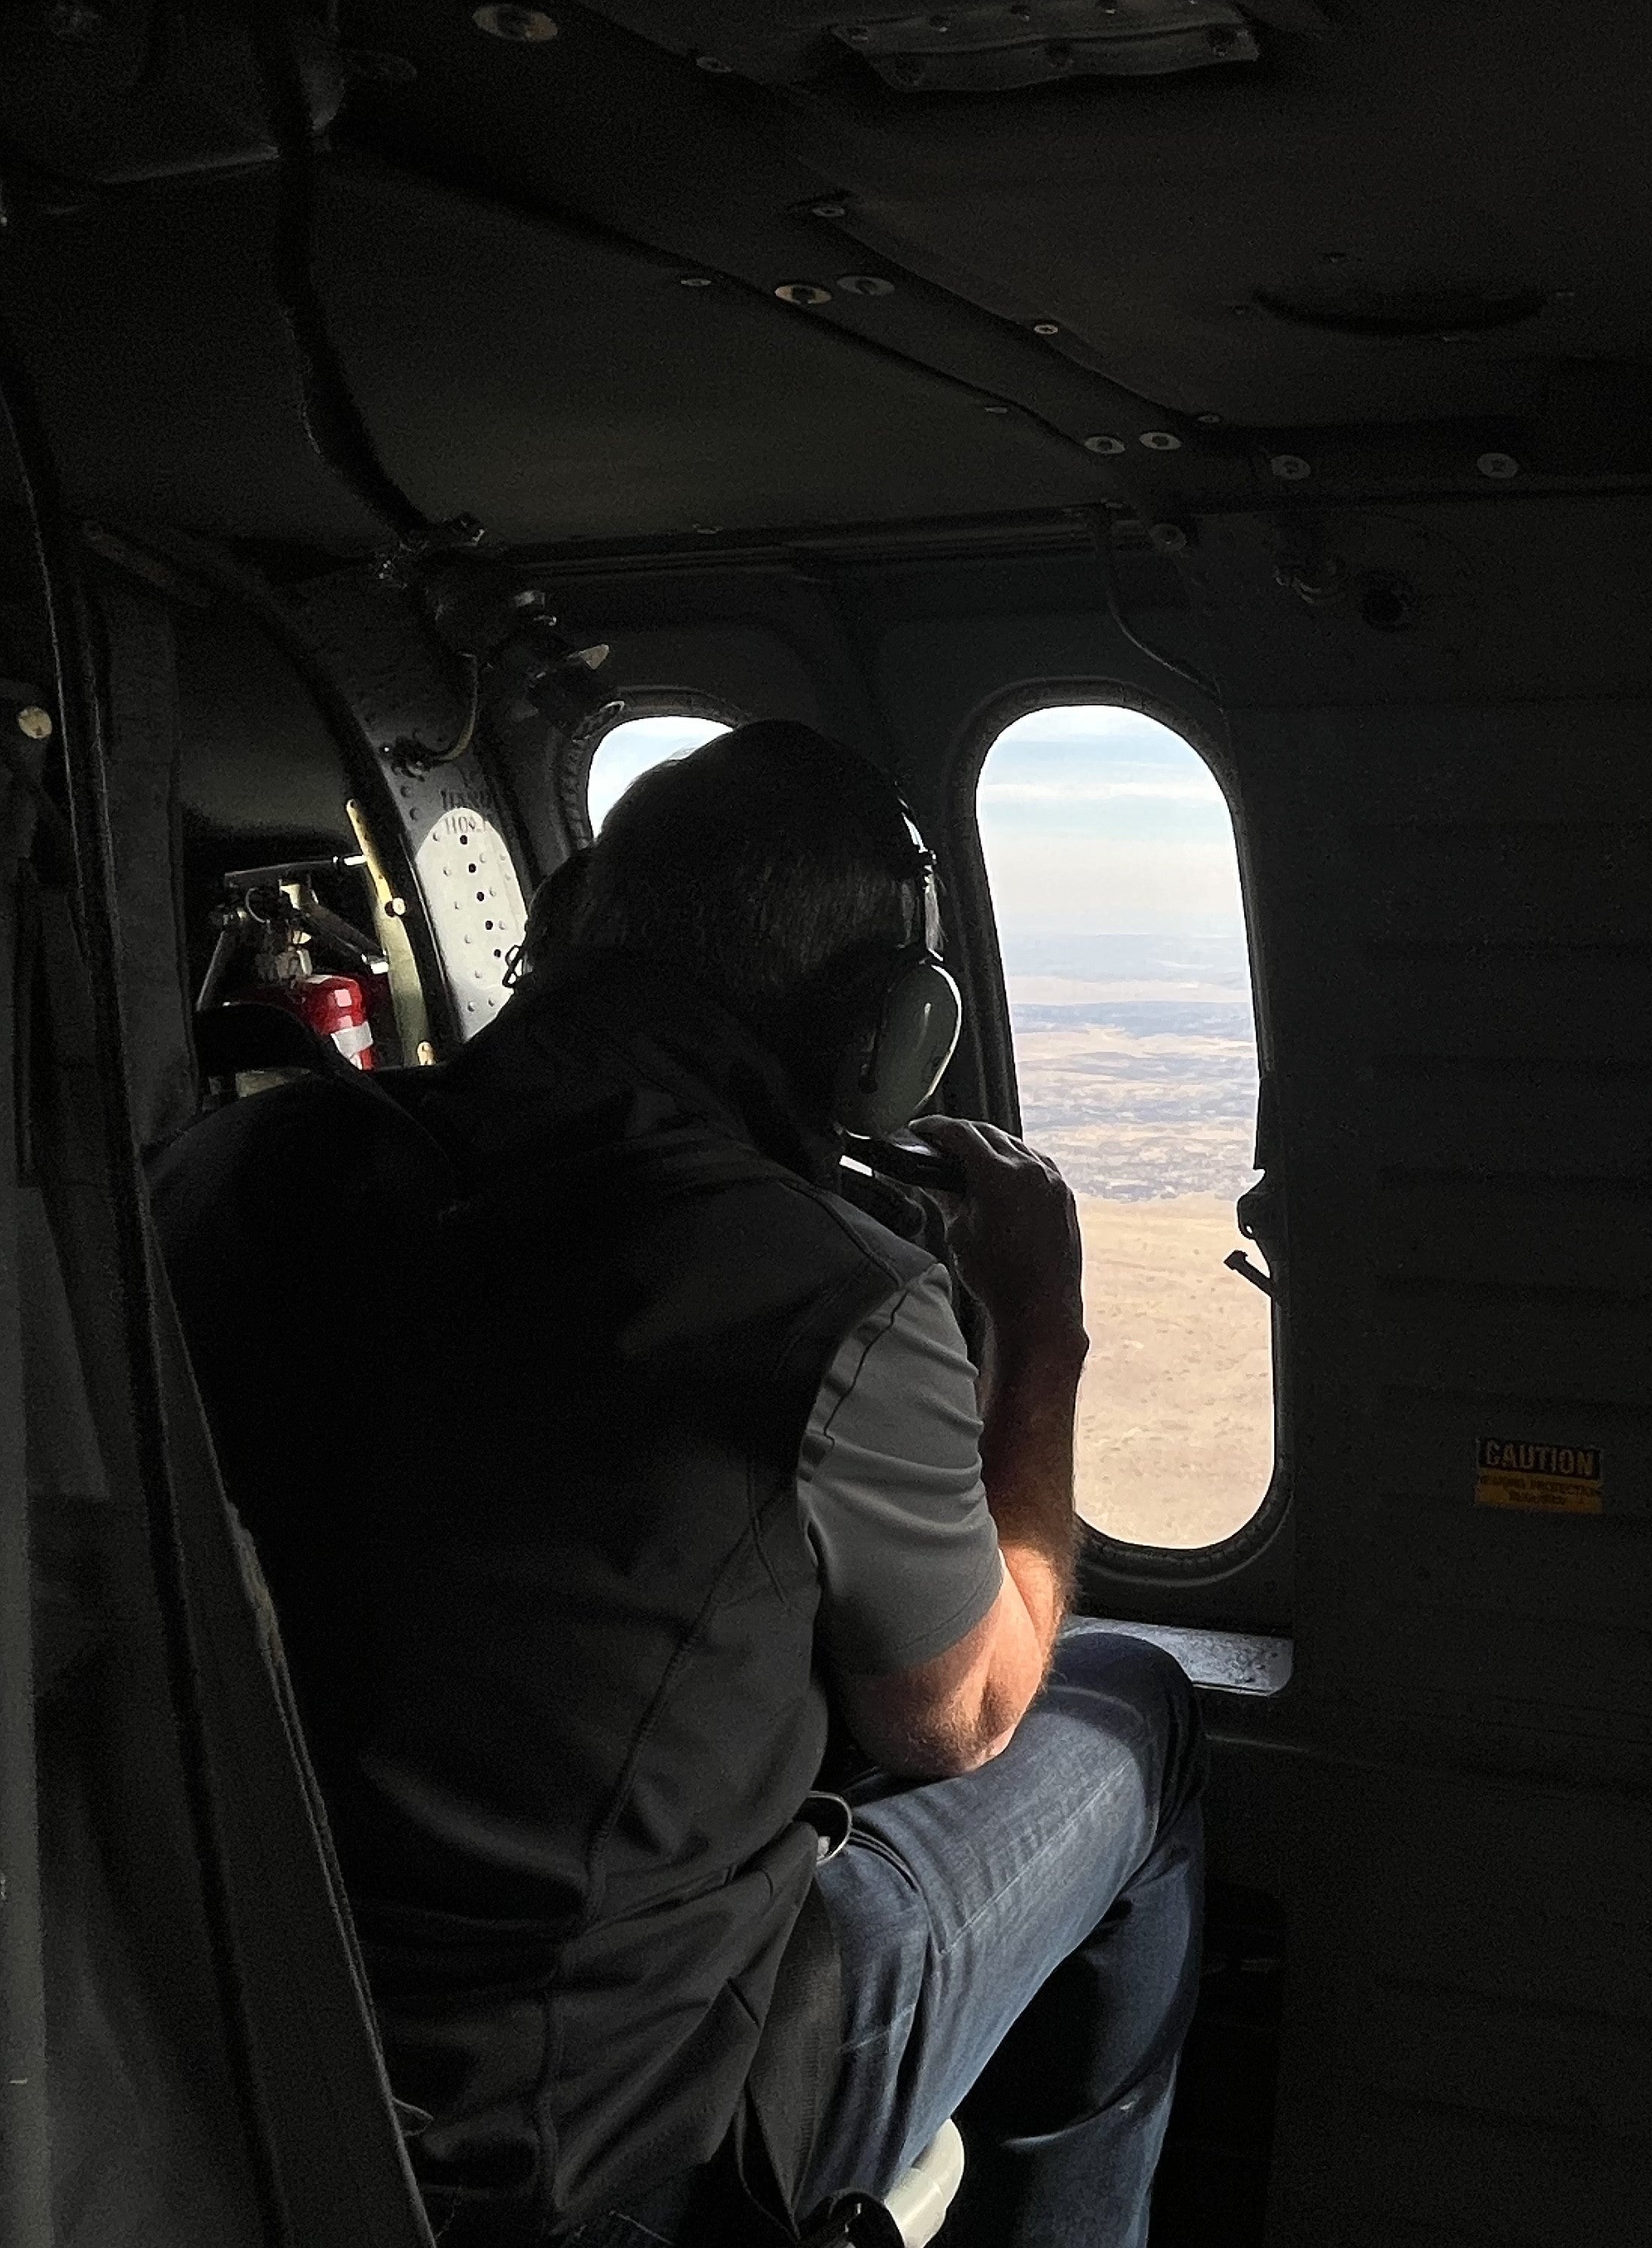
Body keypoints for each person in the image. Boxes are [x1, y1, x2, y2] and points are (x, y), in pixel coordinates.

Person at [154, 721, 1203, 2246]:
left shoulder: (230, 1170)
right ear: (886, 1031)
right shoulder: (826, 1294)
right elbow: (964, 1717)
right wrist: (1042, 1335)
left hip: (218, 2046)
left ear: (568, 926)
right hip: (595, 2135)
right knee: (1140, 1715)